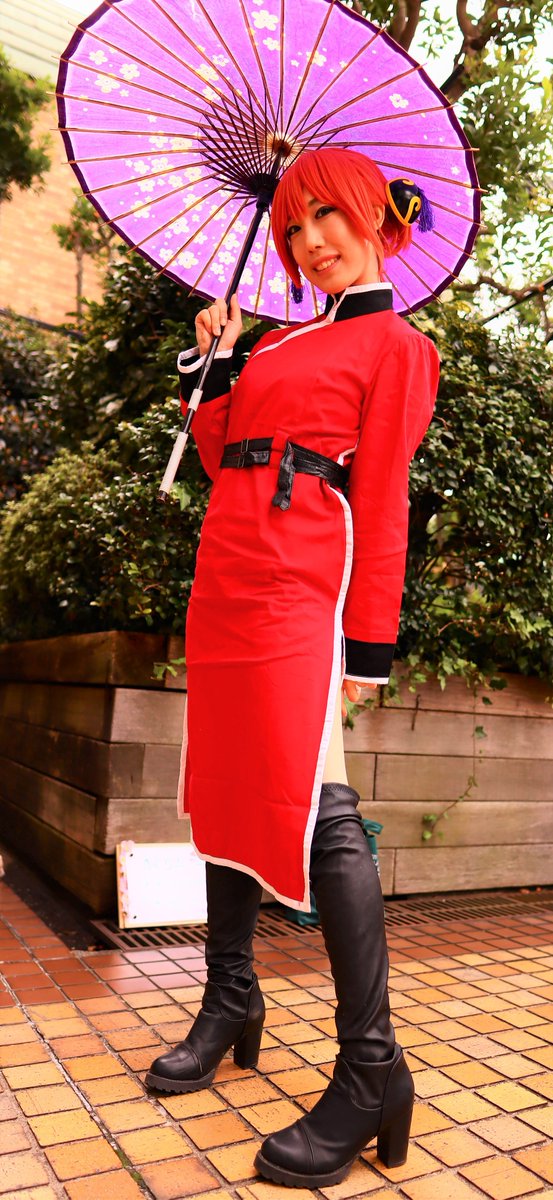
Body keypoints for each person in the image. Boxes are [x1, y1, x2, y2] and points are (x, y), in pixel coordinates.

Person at [146, 147, 440, 1188]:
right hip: (228, 575)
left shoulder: (398, 347)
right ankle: (231, 999)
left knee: (322, 809)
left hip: (300, 585)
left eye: (327, 217)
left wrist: (369, 643)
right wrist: (215, 364)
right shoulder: (273, 341)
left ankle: (372, 1070)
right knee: (225, 786)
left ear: (374, 219)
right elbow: (219, 451)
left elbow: (385, 497)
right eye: (293, 228)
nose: (310, 242)